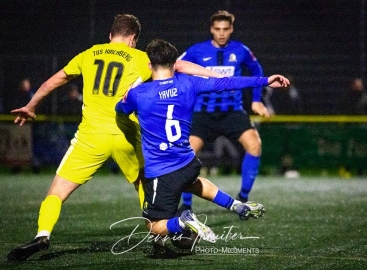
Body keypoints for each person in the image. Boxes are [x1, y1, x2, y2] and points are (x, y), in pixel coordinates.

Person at [7, 14, 228, 262]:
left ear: (111, 35)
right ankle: (159, 238)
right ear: (133, 38)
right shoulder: (139, 57)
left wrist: (31, 106)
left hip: (91, 137)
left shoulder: (89, 54)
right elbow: (180, 67)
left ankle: (42, 234)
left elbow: (54, 81)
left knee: (57, 192)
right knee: (145, 187)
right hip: (126, 135)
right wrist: (215, 76)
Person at [116, 39, 289, 244]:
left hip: (161, 171)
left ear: (149, 65)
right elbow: (228, 82)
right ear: (174, 64)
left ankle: (182, 221)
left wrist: (127, 94)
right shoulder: (190, 82)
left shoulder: (139, 93)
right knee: (193, 183)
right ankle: (235, 204)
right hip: (188, 164)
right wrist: (265, 80)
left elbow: (120, 110)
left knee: (153, 226)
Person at [178, 10, 270, 210]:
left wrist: (256, 100)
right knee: (186, 156)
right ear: (211, 29)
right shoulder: (197, 50)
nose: (221, 33)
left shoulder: (241, 50)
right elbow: (176, 66)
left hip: (232, 112)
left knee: (254, 145)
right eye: (217, 29)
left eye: (225, 29)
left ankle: (244, 198)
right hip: (203, 113)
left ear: (231, 29)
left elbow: (257, 70)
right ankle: (186, 205)